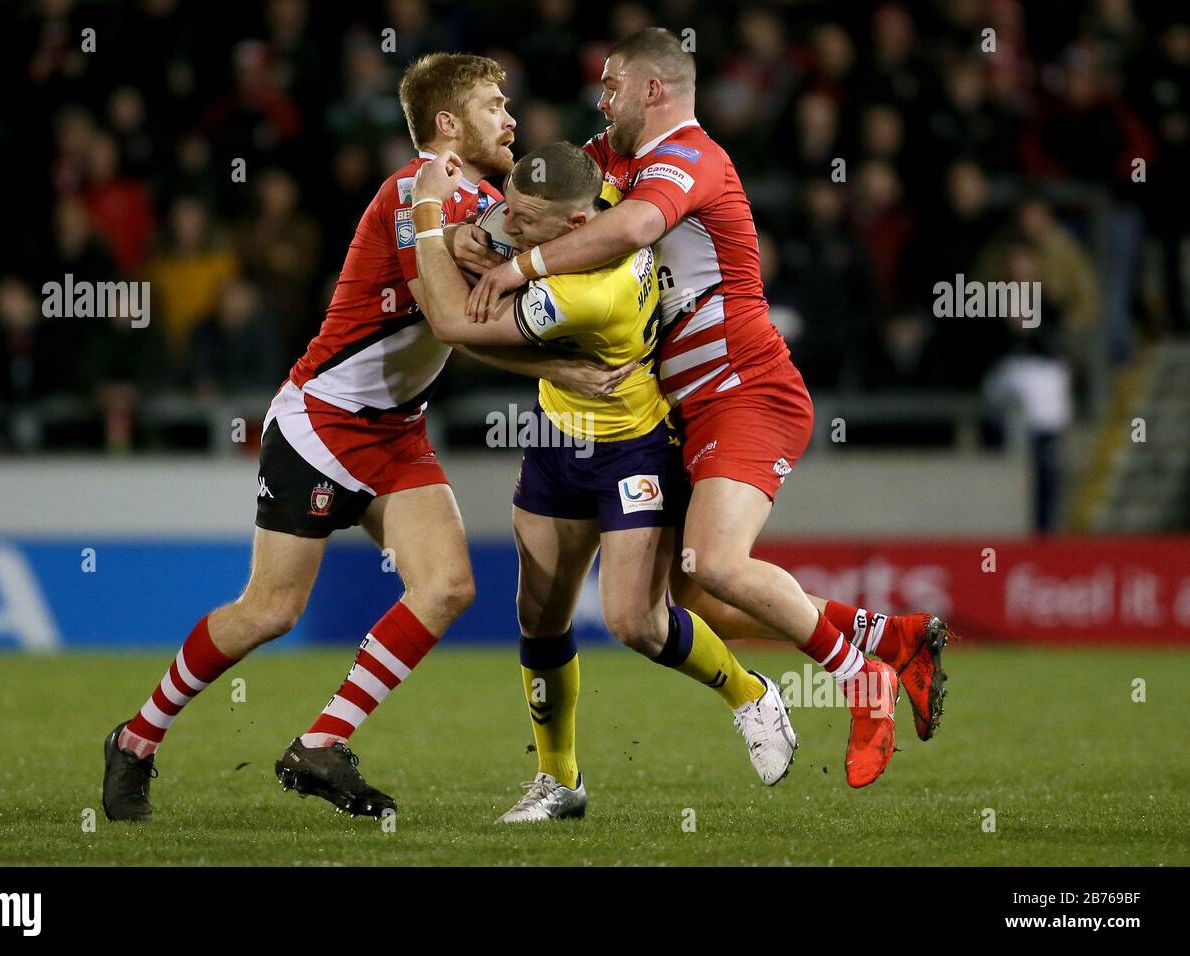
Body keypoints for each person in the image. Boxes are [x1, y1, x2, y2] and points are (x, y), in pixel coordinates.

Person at [101, 53, 628, 822]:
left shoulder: (480, 200)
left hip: (395, 432)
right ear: (447, 124)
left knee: (447, 586)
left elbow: (484, 302)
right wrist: (560, 367)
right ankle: (137, 738)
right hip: (321, 423)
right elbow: (454, 319)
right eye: (492, 103)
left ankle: (320, 742)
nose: (510, 118)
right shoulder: (410, 194)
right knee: (271, 610)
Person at [469, 29, 950, 788]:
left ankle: (863, 679)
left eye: (614, 85)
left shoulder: (692, 157)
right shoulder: (610, 157)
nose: (603, 97)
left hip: (746, 391)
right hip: (683, 410)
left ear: (654, 91)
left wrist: (520, 265)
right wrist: (469, 226)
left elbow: (630, 227)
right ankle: (889, 638)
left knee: (715, 562)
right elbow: (539, 195)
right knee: (696, 601)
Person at [410, 142, 797, 821]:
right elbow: (516, 230)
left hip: (633, 449)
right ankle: (559, 781)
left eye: (528, 221)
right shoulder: (602, 209)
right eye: (513, 211)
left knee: (633, 621)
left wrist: (429, 216)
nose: (512, 224)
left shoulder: (588, 289)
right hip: (557, 438)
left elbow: (450, 325)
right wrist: (490, 236)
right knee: (538, 615)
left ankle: (749, 694)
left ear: (571, 229)